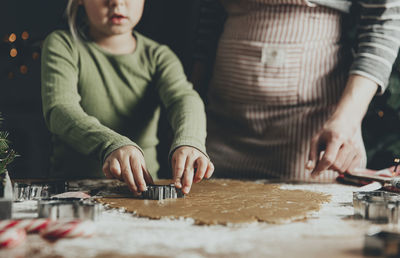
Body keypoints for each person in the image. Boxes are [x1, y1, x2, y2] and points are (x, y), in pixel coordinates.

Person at [190, 0, 400, 182]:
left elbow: (382, 20)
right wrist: (190, 123)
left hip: (312, 140)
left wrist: (346, 121)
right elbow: (210, 20)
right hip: (224, 133)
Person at [41, 0, 214, 195]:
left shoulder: (158, 56)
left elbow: (183, 98)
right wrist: (111, 144)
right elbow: (60, 109)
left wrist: (190, 140)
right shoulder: (63, 45)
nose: (117, 2)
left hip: (142, 193)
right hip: (71, 190)